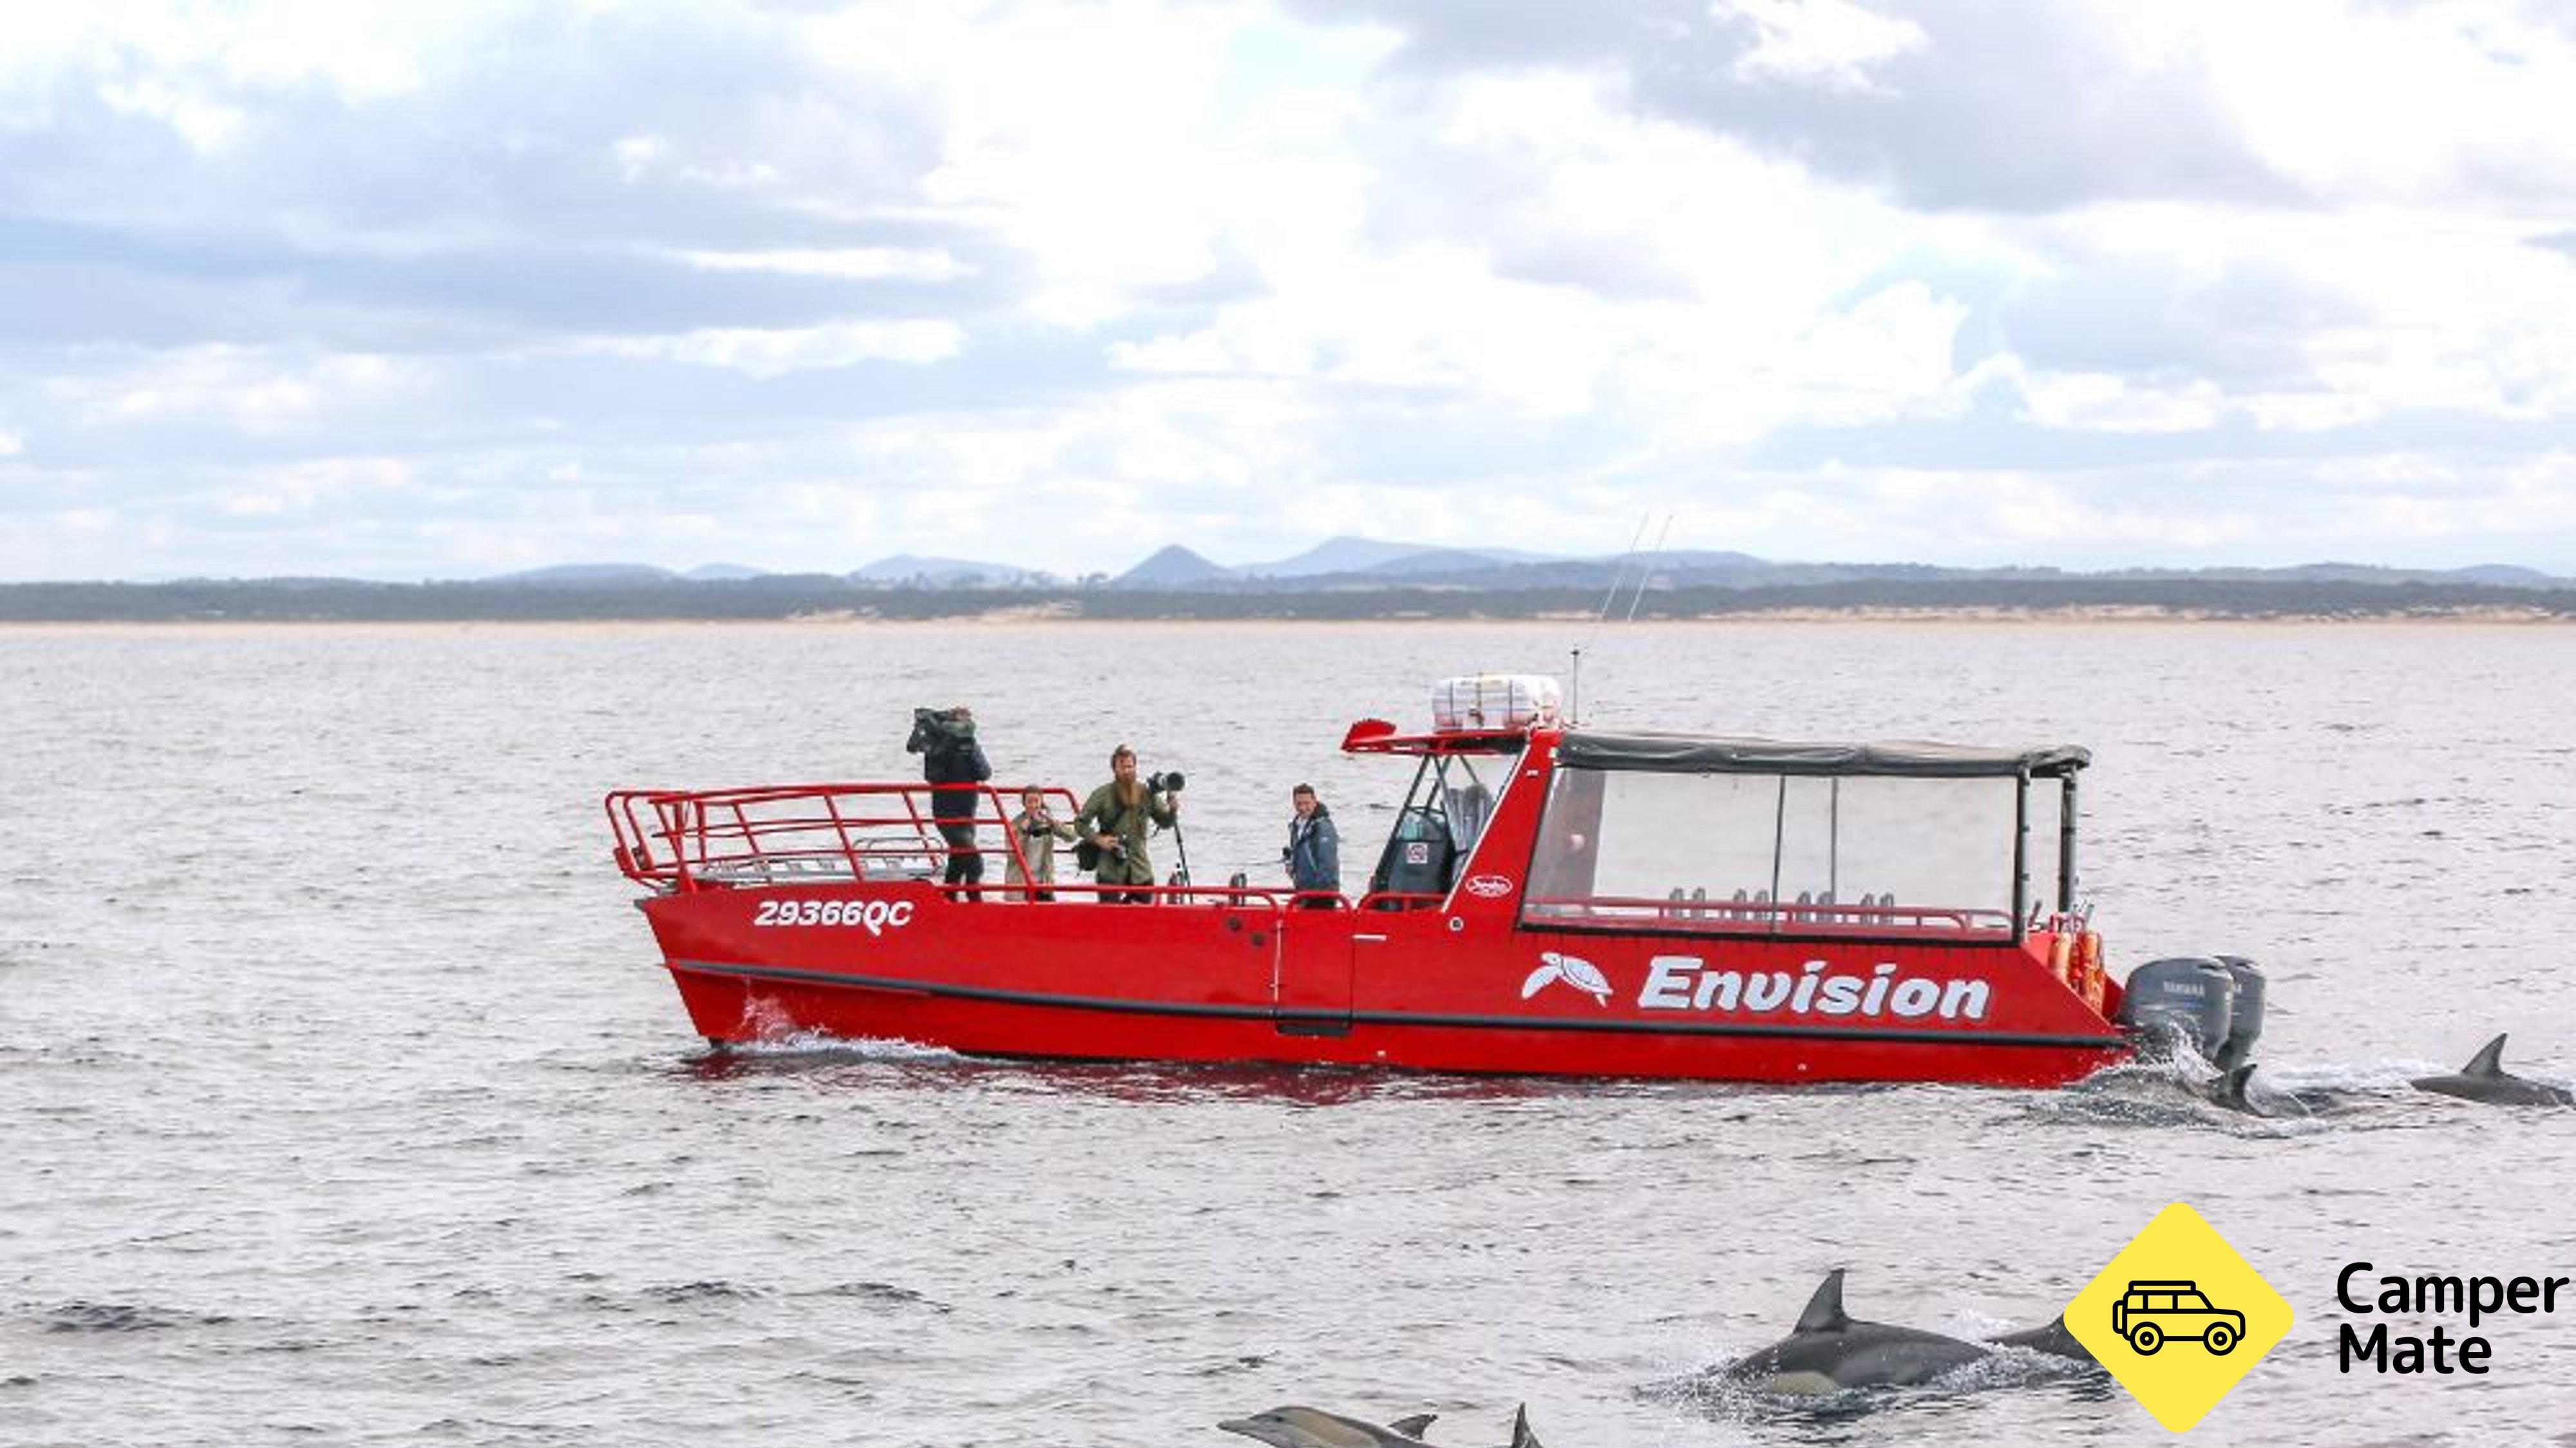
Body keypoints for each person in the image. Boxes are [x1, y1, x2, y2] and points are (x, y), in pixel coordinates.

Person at [905, 705, 990, 898]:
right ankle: (975, 903)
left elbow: (985, 773)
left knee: (958, 859)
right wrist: (946, 749)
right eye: (959, 724)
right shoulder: (937, 746)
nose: (962, 730)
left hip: (967, 813)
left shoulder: (970, 745)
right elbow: (933, 776)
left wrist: (970, 753)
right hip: (946, 813)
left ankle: (949, 899)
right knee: (974, 862)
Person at [1076, 744, 1177, 903]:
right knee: (1109, 917)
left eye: (1130, 766)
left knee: (1143, 916)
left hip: (1140, 867)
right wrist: (1099, 840)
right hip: (1110, 866)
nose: (1127, 771)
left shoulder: (1146, 793)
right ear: (1114, 769)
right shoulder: (1103, 794)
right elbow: (1080, 824)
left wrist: (1172, 810)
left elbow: (1165, 823)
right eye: (1122, 767)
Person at [1004, 786, 1077, 901]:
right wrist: (1023, 833)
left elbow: (1072, 837)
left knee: (1050, 916)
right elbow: (1012, 855)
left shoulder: (1046, 822)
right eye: (1029, 801)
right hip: (1021, 884)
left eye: (1036, 801)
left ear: (1041, 802)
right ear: (1024, 803)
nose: (1033, 805)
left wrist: (1054, 825)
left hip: (1044, 882)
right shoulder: (1015, 825)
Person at [1283, 783, 1340, 907]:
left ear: (1315, 802)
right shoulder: (1296, 826)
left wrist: (1320, 895)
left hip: (1321, 895)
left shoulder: (1323, 827)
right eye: (1299, 804)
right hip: (1304, 892)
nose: (1303, 808)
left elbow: (1328, 864)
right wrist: (1290, 864)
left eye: (1307, 803)